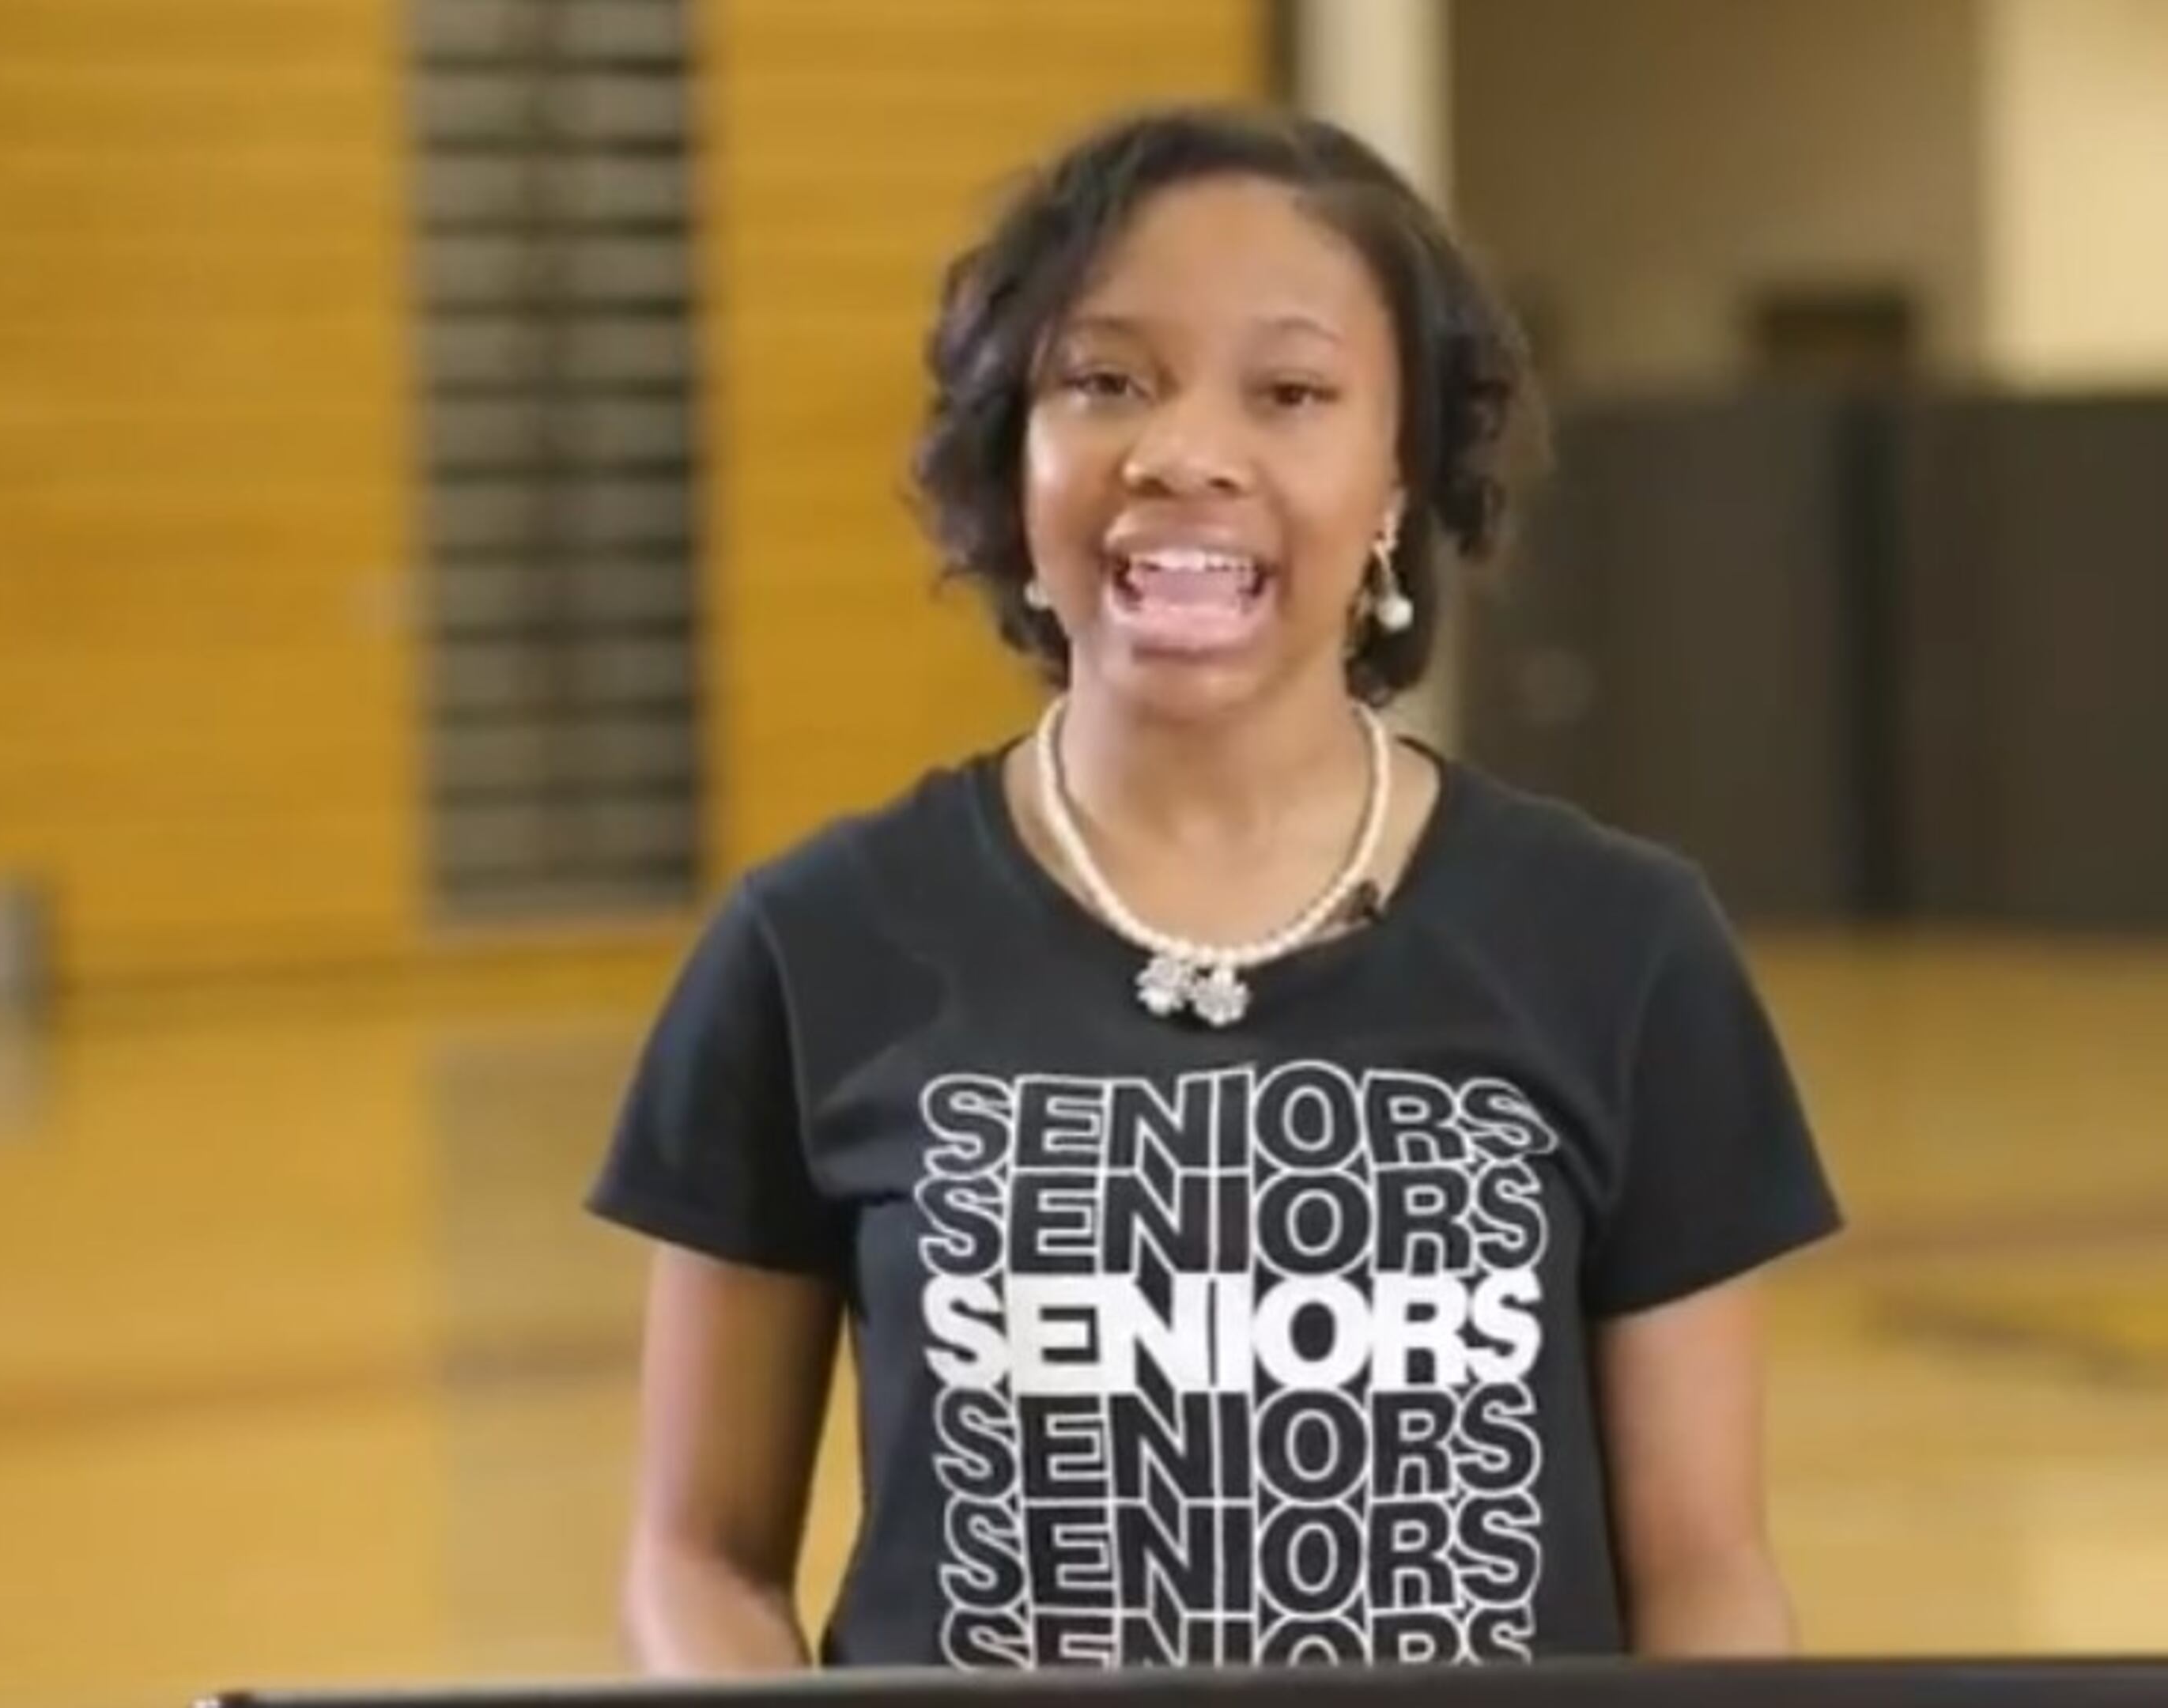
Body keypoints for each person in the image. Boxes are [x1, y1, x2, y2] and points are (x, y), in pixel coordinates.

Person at [584, 103, 1844, 1676]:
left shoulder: (1620, 948)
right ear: (1012, 457)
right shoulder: (810, 945)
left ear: (1397, 478)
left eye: (1293, 391)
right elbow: (697, 1559)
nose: (1184, 450)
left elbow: (1708, 1577)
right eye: (1105, 379)